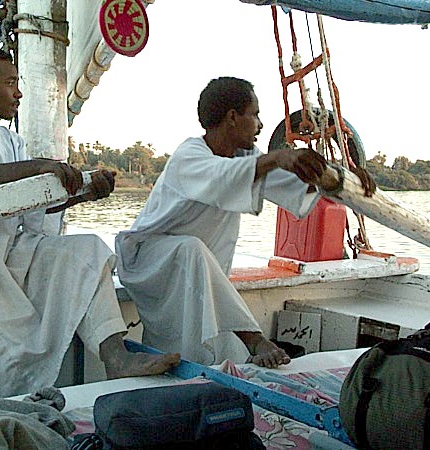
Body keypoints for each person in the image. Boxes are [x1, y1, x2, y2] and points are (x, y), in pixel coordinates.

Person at [0, 46, 179, 399]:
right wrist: (37, 167)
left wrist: (83, 194)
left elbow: (34, 216)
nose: (18, 92)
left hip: (8, 259)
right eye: (9, 83)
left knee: (87, 252)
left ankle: (116, 357)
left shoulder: (11, 142)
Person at [116, 77, 370, 369]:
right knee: (191, 249)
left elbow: (297, 185)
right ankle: (254, 339)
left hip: (195, 270)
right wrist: (278, 157)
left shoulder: (247, 159)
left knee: (195, 271)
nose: (260, 125)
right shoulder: (189, 156)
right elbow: (223, 175)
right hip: (146, 263)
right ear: (233, 117)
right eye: (255, 114)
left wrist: (348, 180)